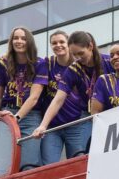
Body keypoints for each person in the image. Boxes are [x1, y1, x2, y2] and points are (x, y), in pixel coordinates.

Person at [33, 31, 113, 163]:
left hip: (112, 112)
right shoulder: (73, 69)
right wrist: (43, 125)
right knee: (81, 157)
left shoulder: (108, 61)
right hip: (88, 116)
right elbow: (58, 99)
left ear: (90, 46)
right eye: (74, 54)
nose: (77, 58)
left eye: (81, 53)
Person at [0, 26, 47, 171]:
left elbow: (34, 97)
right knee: (1, 166)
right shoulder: (3, 63)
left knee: (29, 164)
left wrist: (17, 117)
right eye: (15, 38)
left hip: (31, 116)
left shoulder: (40, 64)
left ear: (29, 42)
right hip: (7, 113)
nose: (19, 41)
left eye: (23, 38)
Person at [40, 30, 71, 116]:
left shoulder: (77, 65)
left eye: (62, 42)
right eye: (54, 43)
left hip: (75, 120)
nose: (58, 45)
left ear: (68, 43)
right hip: (52, 121)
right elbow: (31, 62)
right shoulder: (47, 63)